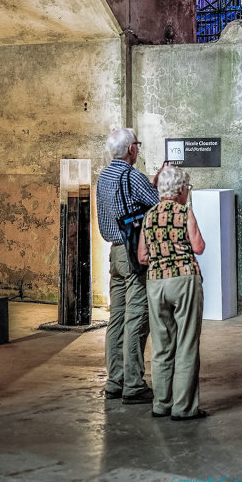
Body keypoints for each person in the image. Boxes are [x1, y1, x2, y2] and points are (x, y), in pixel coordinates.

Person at [96, 127, 161, 404]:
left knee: (117, 318)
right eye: (138, 144)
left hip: (115, 254)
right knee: (137, 317)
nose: (138, 149)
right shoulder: (131, 176)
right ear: (131, 149)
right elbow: (159, 204)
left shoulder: (104, 177)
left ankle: (115, 380)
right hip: (134, 253)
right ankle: (134, 385)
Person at [137, 166, 207, 420]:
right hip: (183, 279)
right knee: (187, 344)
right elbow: (198, 247)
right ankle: (183, 408)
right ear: (179, 190)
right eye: (187, 188)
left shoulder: (149, 216)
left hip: (156, 282)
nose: (187, 192)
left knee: (161, 345)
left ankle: (161, 403)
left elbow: (142, 256)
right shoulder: (184, 213)